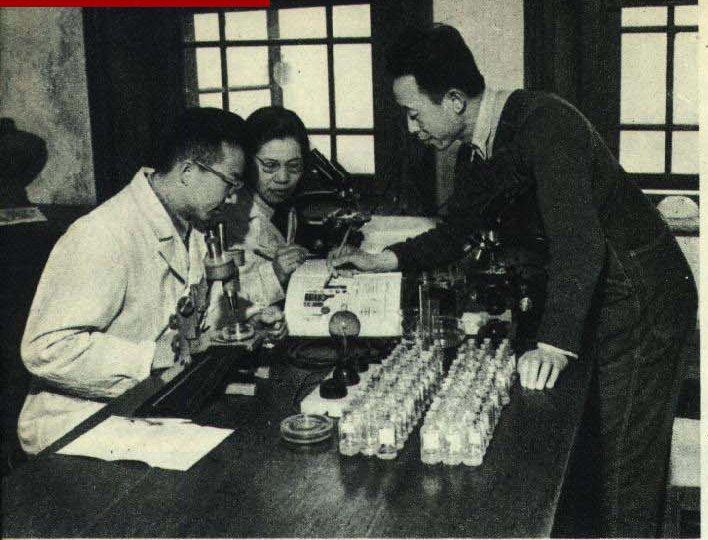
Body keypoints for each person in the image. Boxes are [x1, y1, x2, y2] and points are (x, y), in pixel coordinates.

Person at [329, 24, 697, 537]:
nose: (411, 128)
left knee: (626, 463)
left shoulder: (545, 123)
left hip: (643, 295)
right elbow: (456, 231)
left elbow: (579, 243)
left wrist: (553, 344)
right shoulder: (480, 148)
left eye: (413, 113)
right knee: (595, 453)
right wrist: (384, 260)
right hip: (606, 289)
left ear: (453, 100)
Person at [19, 107, 256, 454]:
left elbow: (177, 320)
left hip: (146, 402)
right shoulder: (102, 234)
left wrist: (243, 322)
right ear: (188, 171)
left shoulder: (190, 226)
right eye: (229, 183)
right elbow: (45, 349)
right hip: (76, 419)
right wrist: (152, 357)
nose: (233, 197)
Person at [220, 106, 311, 317]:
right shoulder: (229, 215)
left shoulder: (284, 205)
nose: (283, 178)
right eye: (270, 166)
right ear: (247, 163)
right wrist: (275, 274)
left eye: (294, 166)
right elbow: (223, 306)